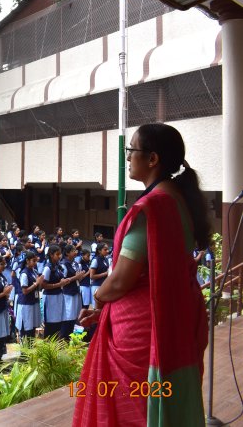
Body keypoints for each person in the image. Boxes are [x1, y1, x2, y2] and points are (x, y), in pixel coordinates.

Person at [73, 123, 210, 426]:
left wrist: (98, 299)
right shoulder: (180, 200)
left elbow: (122, 279)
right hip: (176, 317)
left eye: (131, 150)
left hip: (143, 332)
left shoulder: (152, 207)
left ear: (152, 159)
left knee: (131, 410)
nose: (128, 157)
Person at [16, 252, 43, 339]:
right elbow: (25, 291)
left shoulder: (34, 271)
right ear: (27, 261)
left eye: (36, 261)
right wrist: (36, 284)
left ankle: (30, 351)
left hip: (34, 302)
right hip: (26, 304)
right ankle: (24, 352)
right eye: (33, 261)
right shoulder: (24, 273)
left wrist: (40, 283)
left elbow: (38, 286)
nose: (35, 263)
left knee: (32, 329)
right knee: (26, 329)